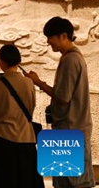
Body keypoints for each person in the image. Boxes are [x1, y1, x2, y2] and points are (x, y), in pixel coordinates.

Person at [26, 17, 95, 188]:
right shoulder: (73, 57)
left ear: (63, 35)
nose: (48, 41)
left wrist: (38, 82)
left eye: (50, 37)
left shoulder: (70, 60)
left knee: (72, 182)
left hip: (70, 130)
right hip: (70, 129)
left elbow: (63, 97)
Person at [0, 45, 43, 188]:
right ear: (18, 62)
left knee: (2, 180)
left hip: (1, 138)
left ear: (1, 62)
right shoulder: (29, 83)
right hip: (26, 138)